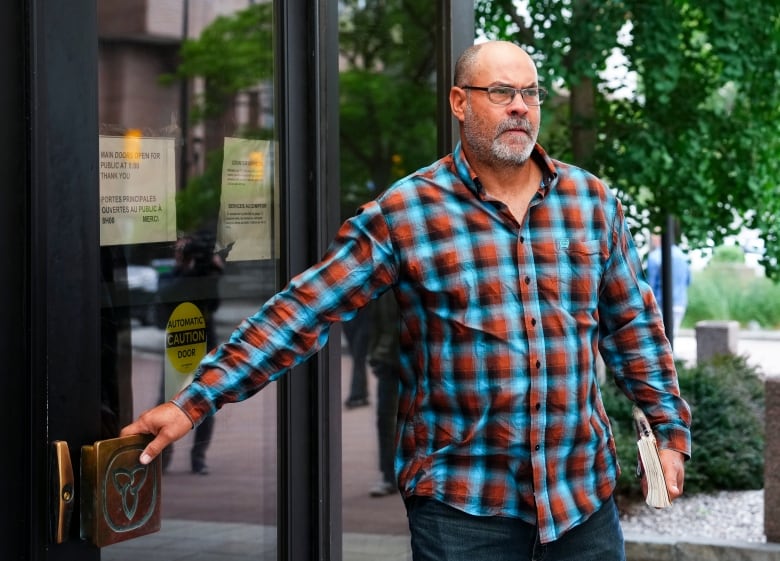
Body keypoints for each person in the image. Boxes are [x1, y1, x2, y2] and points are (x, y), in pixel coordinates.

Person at [121, 41, 691, 560]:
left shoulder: (590, 201)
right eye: (500, 92)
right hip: (463, 511)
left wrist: (668, 432)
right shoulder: (408, 211)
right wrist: (194, 401)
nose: (520, 106)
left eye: (529, 93)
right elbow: (304, 309)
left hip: (581, 506)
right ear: (459, 103)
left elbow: (633, 326)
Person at [156, 230, 224, 475]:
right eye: (180, 249)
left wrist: (212, 274)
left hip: (205, 339)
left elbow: (214, 304)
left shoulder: (207, 272)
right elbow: (165, 297)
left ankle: (198, 457)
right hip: (180, 340)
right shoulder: (170, 274)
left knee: (206, 399)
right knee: (166, 401)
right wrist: (187, 272)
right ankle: (162, 456)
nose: (182, 253)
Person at [365, 293, 400, 497]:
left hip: (412, 360)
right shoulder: (383, 286)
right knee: (386, 419)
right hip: (389, 360)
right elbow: (376, 322)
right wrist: (375, 353)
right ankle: (389, 475)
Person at [647, 234, 691, 337]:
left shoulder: (654, 257)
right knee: (673, 333)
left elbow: (651, 284)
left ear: (659, 239)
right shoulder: (683, 256)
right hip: (680, 301)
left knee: (660, 337)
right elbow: (688, 280)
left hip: (661, 303)